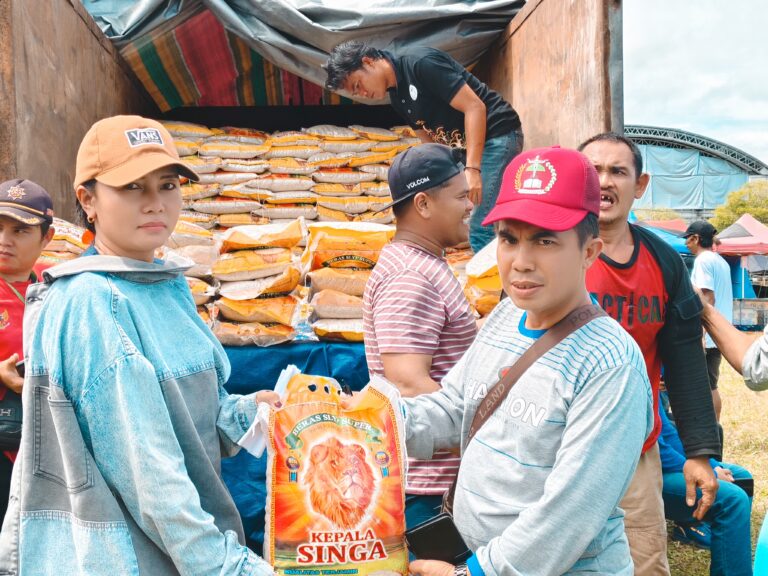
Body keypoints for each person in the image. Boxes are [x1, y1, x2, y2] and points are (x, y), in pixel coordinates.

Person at [0, 116, 277, 575]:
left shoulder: (167, 286)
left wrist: (254, 412)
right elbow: (154, 480)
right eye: (132, 187)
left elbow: (192, 422)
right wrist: (231, 568)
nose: (155, 203)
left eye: (168, 185)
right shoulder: (93, 302)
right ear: (88, 200)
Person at [404, 146, 653, 576]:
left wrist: (476, 574)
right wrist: (368, 421)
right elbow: (453, 408)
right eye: (508, 238)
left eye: (545, 240)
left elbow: (569, 513)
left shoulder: (610, 364)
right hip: (477, 557)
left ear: (589, 251)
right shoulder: (505, 317)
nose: (521, 262)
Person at [579, 132, 722, 575]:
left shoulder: (662, 261)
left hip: (633, 449)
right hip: (558, 445)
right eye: (593, 171)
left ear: (639, 186)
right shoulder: (548, 250)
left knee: (644, 562)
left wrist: (699, 452)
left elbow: (684, 360)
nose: (604, 181)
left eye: (618, 171)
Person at [362, 144, 477, 528]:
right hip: (427, 490)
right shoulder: (410, 277)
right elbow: (408, 384)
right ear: (424, 205)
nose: (470, 206)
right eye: (461, 196)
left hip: (434, 481)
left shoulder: (422, 265)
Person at [324, 41, 523, 253]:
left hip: (498, 135)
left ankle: (496, 285)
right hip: (468, 150)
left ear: (368, 61)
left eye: (358, 84)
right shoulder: (398, 98)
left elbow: (475, 107)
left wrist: (472, 169)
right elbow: (431, 144)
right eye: (356, 92)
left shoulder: (419, 63)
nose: (362, 94)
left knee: (479, 224)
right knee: (465, 216)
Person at [0, 179, 55, 524]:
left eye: (20, 230)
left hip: (45, 442)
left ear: (46, 238)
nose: (5, 240)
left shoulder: (58, 287)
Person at [657, 401, 753, 576]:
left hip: (664, 464)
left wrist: (713, 466)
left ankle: (728, 549)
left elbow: (669, 434)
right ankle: (694, 526)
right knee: (732, 499)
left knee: (740, 476)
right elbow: (657, 449)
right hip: (646, 475)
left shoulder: (649, 378)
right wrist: (709, 475)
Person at [683, 220, 733, 421]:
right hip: (720, 333)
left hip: (708, 335)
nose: (686, 243)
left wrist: (701, 334)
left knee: (704, 386)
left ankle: (709, 428)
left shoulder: (703, 260)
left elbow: (707, 297)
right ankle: (715, 427)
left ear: (695, 238)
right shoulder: (719, 261)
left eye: (688, 239)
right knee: (711, 383)